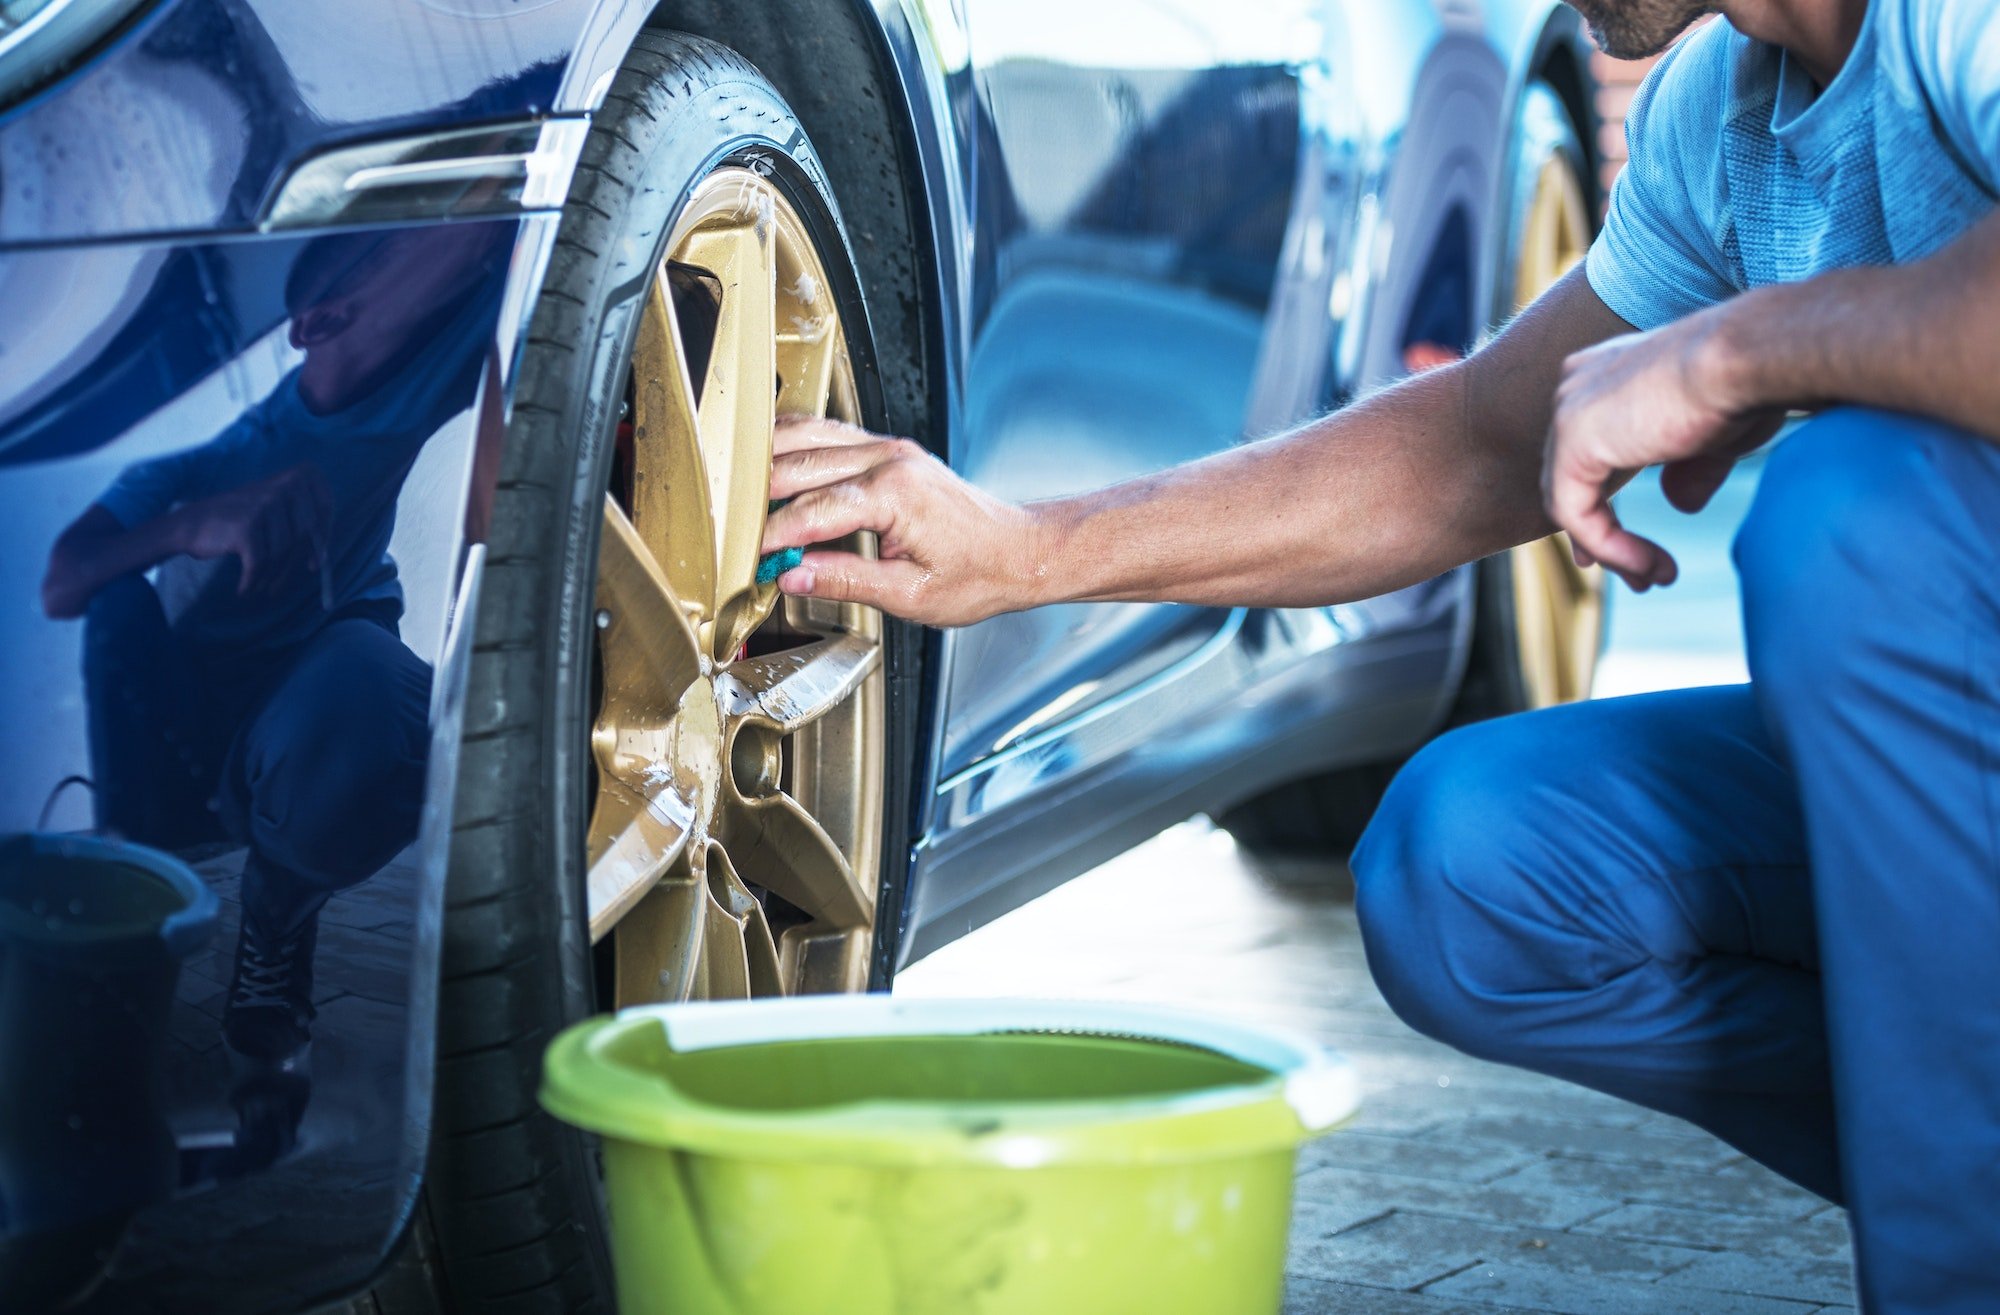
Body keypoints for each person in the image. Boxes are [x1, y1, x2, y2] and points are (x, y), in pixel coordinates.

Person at [755, 0, 2000, 1309]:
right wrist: (1023, 551)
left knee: (1853, 523)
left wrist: (1738, 347)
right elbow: (1473, 439)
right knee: (1474, 871)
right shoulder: (1723, 119)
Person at [40, 224, 504, 1076]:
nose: (458, 249)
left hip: (320, 670)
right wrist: (195, 521)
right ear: (320, 321)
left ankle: (278, 912)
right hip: (191, 705)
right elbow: (63, 578)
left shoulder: (437, 353)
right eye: (416, 248)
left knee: (374, 701)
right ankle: (128, 898)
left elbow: (511, 234)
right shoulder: (213, 446)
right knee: (112, 610)